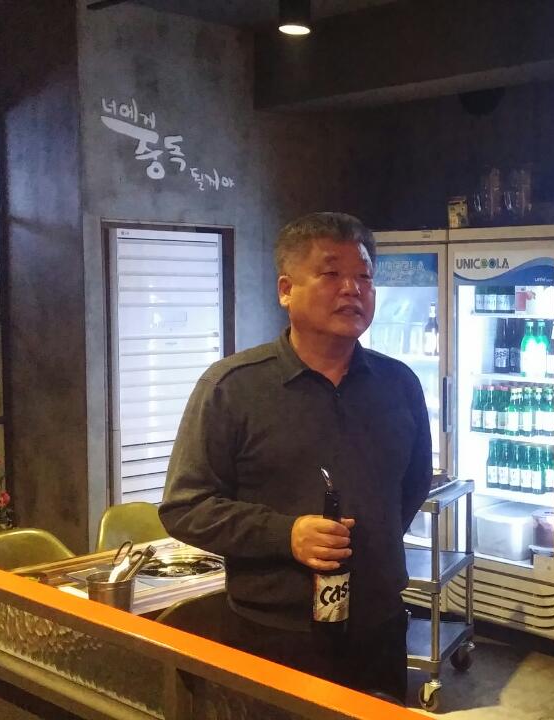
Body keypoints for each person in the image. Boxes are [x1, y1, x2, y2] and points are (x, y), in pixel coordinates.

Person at [159, 212, 432, 703]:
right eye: (331, 273)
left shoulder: (399, 384)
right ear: (286, 290)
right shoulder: (233, 387)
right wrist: (286, 534)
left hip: (379, 627)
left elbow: (412, 485)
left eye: (365, 276)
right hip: (273, 632)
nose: (352, 289)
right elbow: (185, 506)